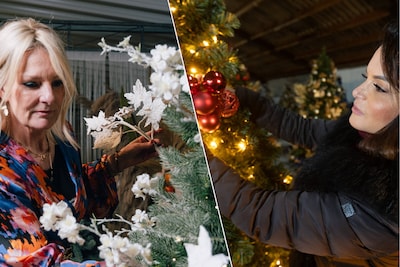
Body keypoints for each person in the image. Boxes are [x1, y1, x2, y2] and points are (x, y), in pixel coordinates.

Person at [207, 21, 399, 266]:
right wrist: (241, 100)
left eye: (379, 88)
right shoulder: (363, 135)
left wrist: (199, 155)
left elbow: (261, 214)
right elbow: (303, 129)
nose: (357, 92)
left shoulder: (380, 216)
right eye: (365, 77)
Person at [0, 18, 160, 266]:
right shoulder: (3, 173)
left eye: (57, 82)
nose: (49, 97)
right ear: (3, 88)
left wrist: (118, 162)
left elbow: (63, 195)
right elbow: (34, 262)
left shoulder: (63, 138)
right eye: (32, 84)